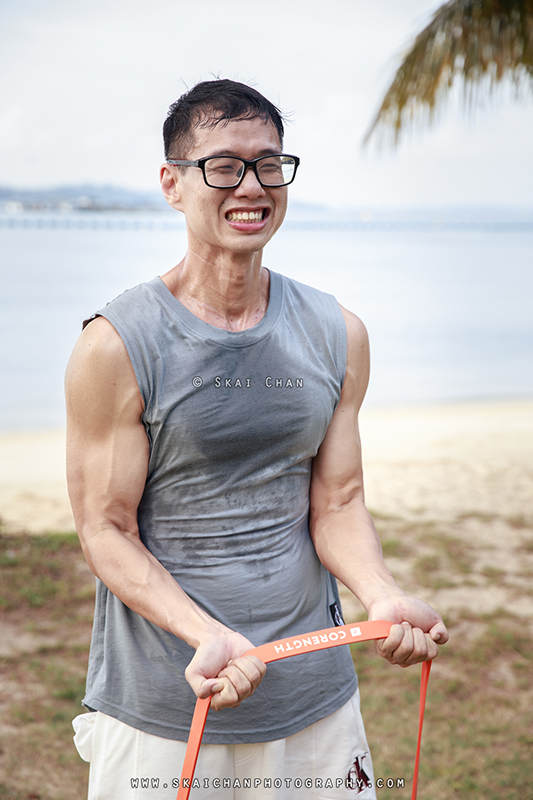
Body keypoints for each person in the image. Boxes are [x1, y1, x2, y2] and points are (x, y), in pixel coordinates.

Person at [65, 79, 448, 800]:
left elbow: (337, 500)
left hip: (313, 701)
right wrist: (203, 632)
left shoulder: (337, 332)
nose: (251, 184)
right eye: (224, 165)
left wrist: (380, 594)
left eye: (269, 163)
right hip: (166, 704)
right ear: (172, 185)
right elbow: (104, 528)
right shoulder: (116, 344)